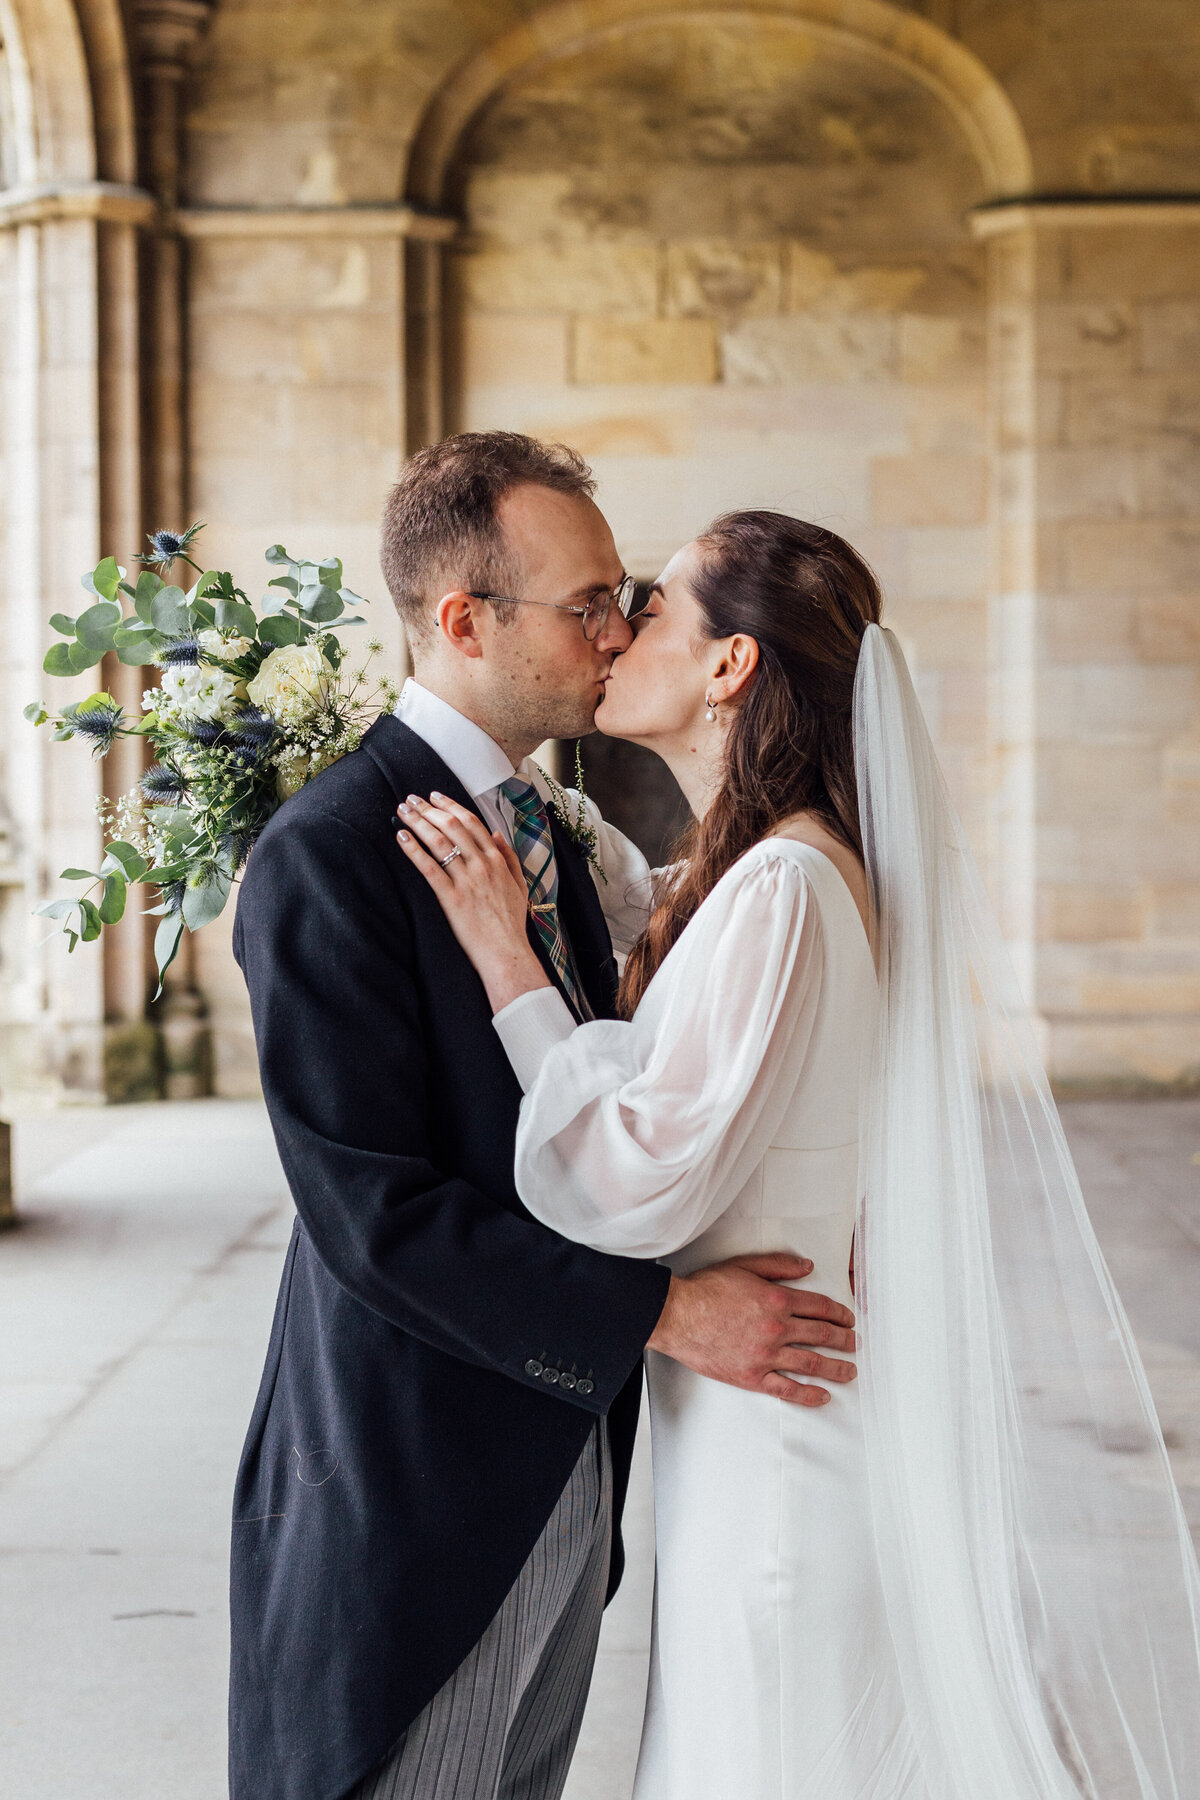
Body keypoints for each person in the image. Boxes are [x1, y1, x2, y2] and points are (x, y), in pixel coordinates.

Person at [398, 509, 1200, 1800]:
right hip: (751, 1439)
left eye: (652, 605)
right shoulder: (747, 874)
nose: (617, 630)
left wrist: (506, 962)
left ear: (730, 666)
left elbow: (635, 1176)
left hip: (780, 1463)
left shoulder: (786, 889)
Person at [227, 437, 857, 1800]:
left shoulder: (561, 843)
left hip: (569, 1464)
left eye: (626, 598)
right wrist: (658, 1315)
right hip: (417, 1492)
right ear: (464, 623)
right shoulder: (329, 855)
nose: (620, 630)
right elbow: (371, 1217)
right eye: (587, 605)